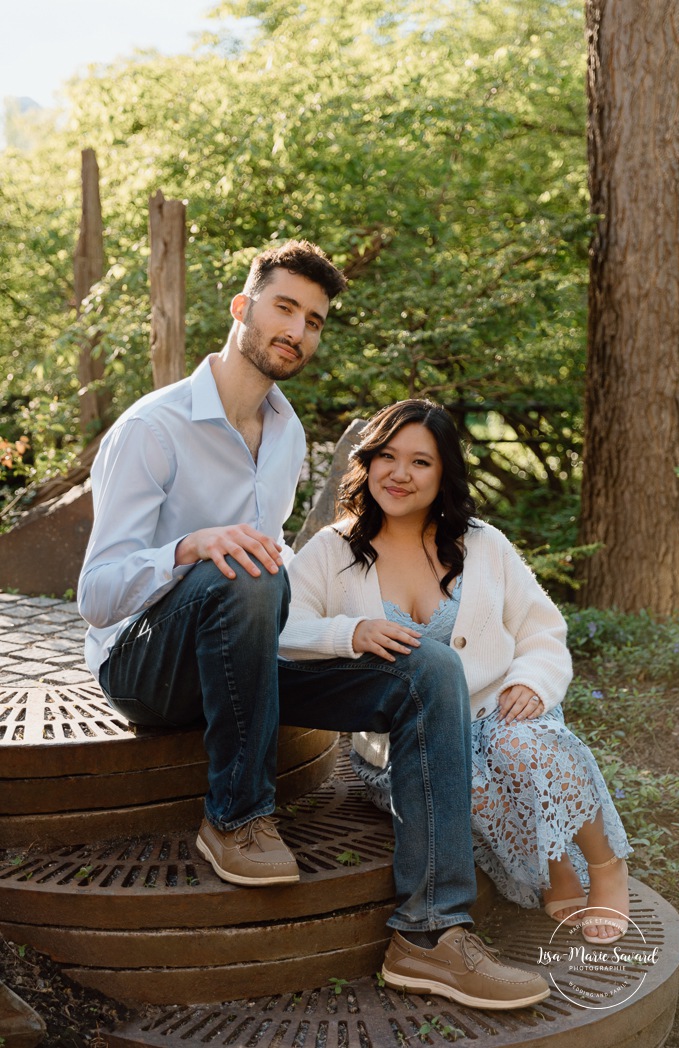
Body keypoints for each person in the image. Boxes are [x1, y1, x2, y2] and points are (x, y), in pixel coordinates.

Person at [78, 241, 550, 1012]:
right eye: (283, 308)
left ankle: (430, 934)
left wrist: (346, 635)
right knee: (246, 566)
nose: (297, 329)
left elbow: (280, 600)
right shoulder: (151, 429)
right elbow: (96, 596)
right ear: (243, 309)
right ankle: (235, 816)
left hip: (246, 653)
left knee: (427, 668)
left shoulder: (288, 434)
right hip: (147, 667)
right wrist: (190, 547)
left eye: (314, 320)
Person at [279, 398, 632, 951]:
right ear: (367, 462)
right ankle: (550, 872)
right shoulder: (333, 550)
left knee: (527, 749)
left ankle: (603, 866)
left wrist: (532, 682)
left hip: (497, 704)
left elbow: (542, 629)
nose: (399, 474)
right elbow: (281, 627)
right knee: (468, 788)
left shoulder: (483, 543)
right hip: (406, 738)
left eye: (420, 462)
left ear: (443, 473)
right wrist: (349, 633)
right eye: (387, 457)